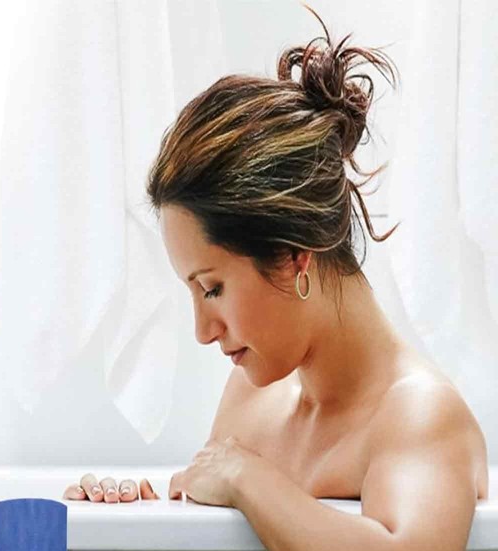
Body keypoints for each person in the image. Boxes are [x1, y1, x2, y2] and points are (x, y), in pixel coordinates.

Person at [63, 5, 488, 507]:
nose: (203, 331)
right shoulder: (251, 400)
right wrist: (134, 516)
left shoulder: (421, 417)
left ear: (292, 256)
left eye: (212, 289)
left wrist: (248, 478)